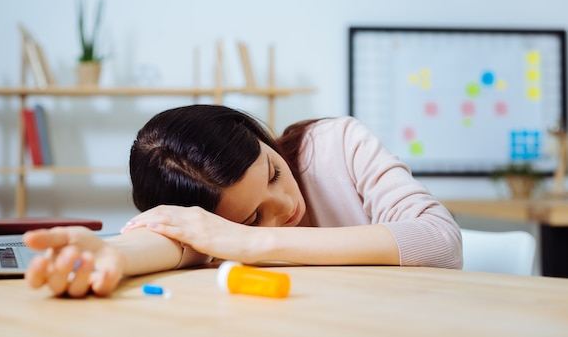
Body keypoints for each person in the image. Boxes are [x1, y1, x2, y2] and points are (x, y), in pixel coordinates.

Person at [24, 104, 462, 297]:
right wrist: (114, 254)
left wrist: (250, 241)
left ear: (258, 136)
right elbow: (179, 242)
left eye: (272, 172)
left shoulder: (338, 145)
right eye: (252, 218)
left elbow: (441, 243)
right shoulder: (211, 231)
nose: (284, 205)